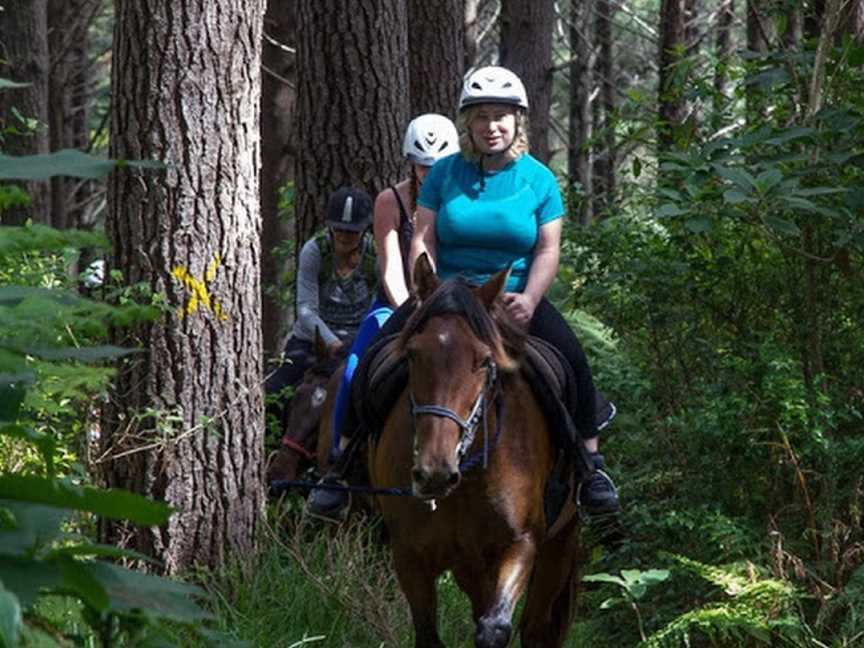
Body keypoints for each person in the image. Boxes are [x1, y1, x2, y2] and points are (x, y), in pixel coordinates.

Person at [308, 67, 619, 521]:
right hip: (446, 298)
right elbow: (424, 238)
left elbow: (548, 250)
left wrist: (531, 298)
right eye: (482, 117)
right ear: (467, 124)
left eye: (501, 117)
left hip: (510, 297)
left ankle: (591, 469)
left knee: (572, 360)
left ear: (518, 122)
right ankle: (340, 470)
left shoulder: (539, 180)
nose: (492, 126)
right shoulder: (444, 175)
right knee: (374, 358)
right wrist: (427, 289)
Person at [318, 114, 461, 472]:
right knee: (354, 368)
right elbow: (390, 267)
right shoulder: (390, 201)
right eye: (422, 164)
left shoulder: (461, 199)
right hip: (400, 302)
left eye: (437, 165)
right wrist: (411, 307)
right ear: (410, 162)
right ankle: (341, 459)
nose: (428, 171)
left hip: (454, 302)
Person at [266, 186, 377, 476]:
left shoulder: (375, 256)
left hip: (358, 339)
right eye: (338, 229)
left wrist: (358, 341)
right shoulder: (314, 251)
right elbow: (305, 310)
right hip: (314, 338)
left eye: (351, 232)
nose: (343, 237)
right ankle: (272, 456)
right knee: (276, 391)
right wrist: (331, 342)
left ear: (364, 231)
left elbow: (380, 300)